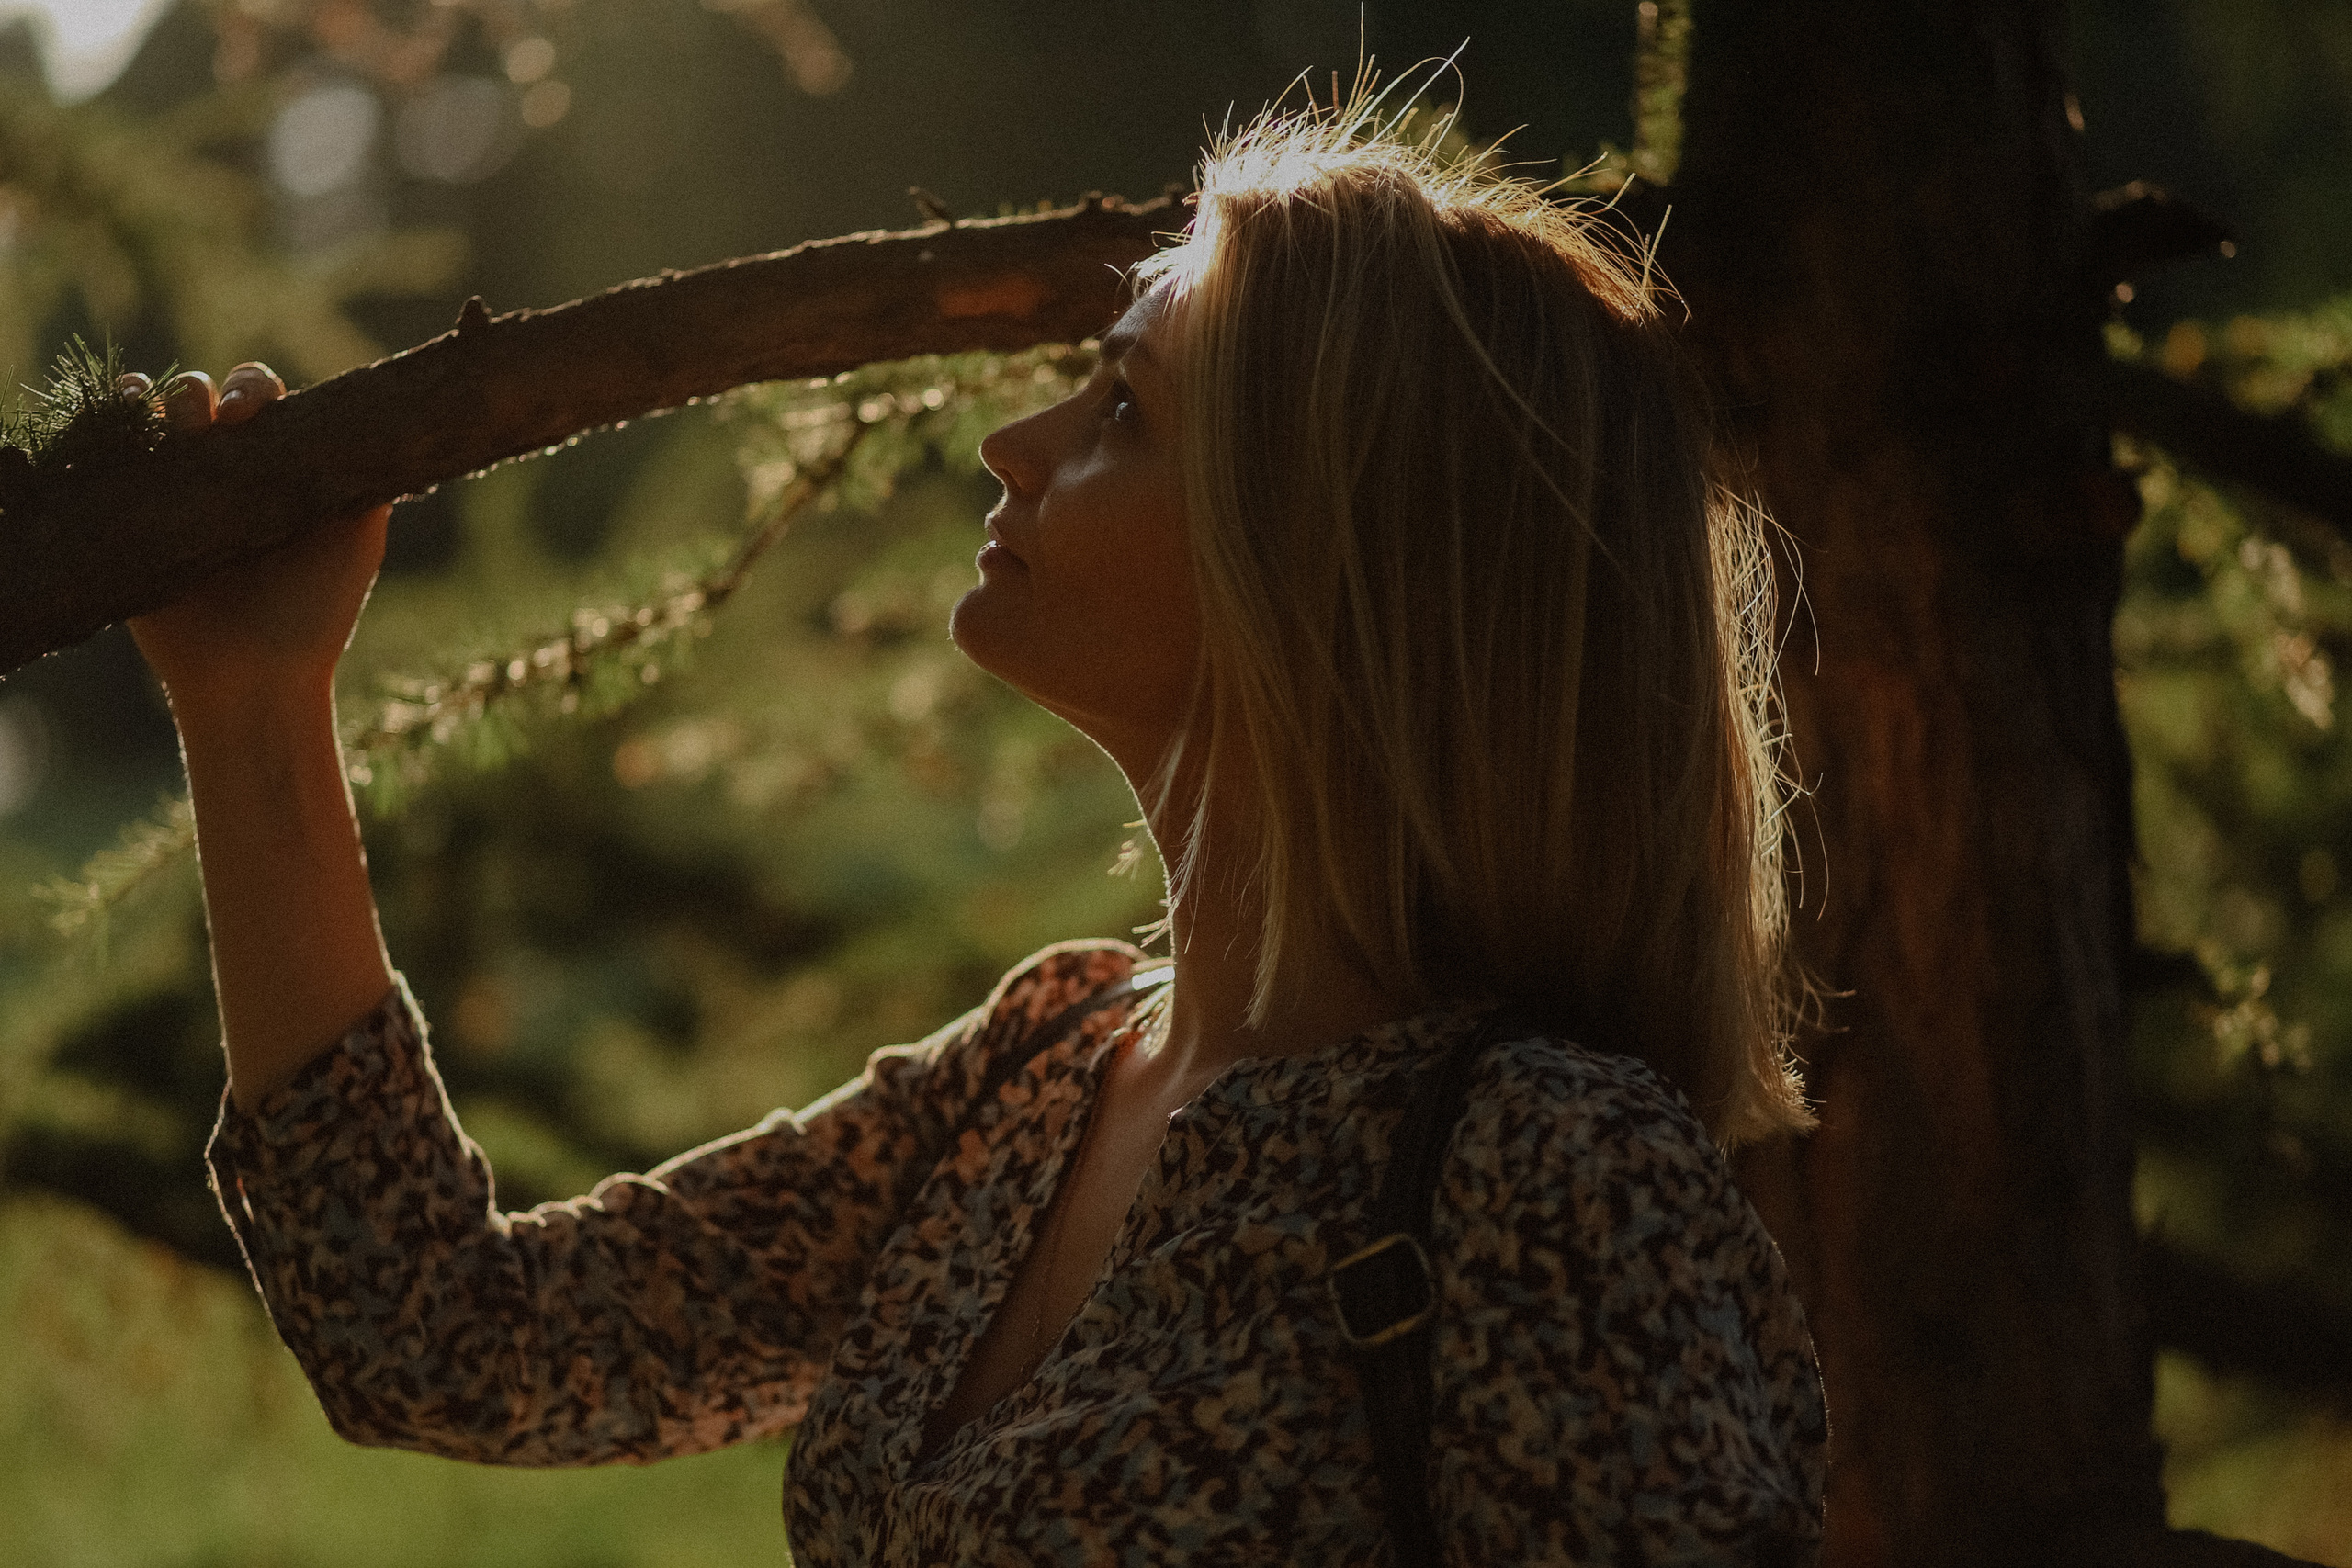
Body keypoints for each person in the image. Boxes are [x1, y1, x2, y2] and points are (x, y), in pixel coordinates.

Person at [129, 93, 1827, 1565]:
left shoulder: (1553, 1173)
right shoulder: (1042, 1074)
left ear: (1331, 571)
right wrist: (256, 704)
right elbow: (442, 1336)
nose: (1011, 449)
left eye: (1122, 416)